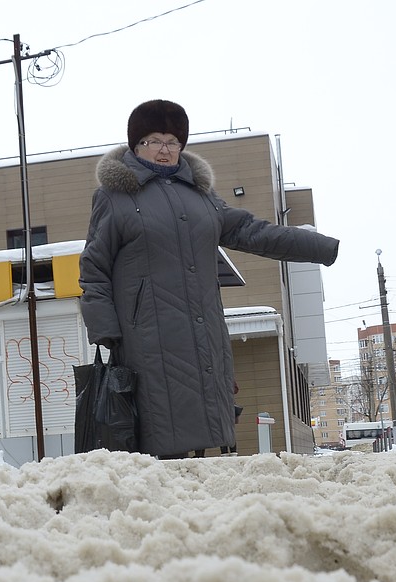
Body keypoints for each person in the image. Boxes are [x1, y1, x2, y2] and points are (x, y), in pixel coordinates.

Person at [78, 99, 340, 459]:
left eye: (173, 141)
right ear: (136, 145)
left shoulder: (201, 198)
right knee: (155, 431)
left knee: (199, 427)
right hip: (146, 337)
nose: (164, 149)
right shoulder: (115, 197)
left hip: (203, 330)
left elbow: (252, 231)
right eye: (154, 140)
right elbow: (94, 267)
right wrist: (107, 330)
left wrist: (319, 247)